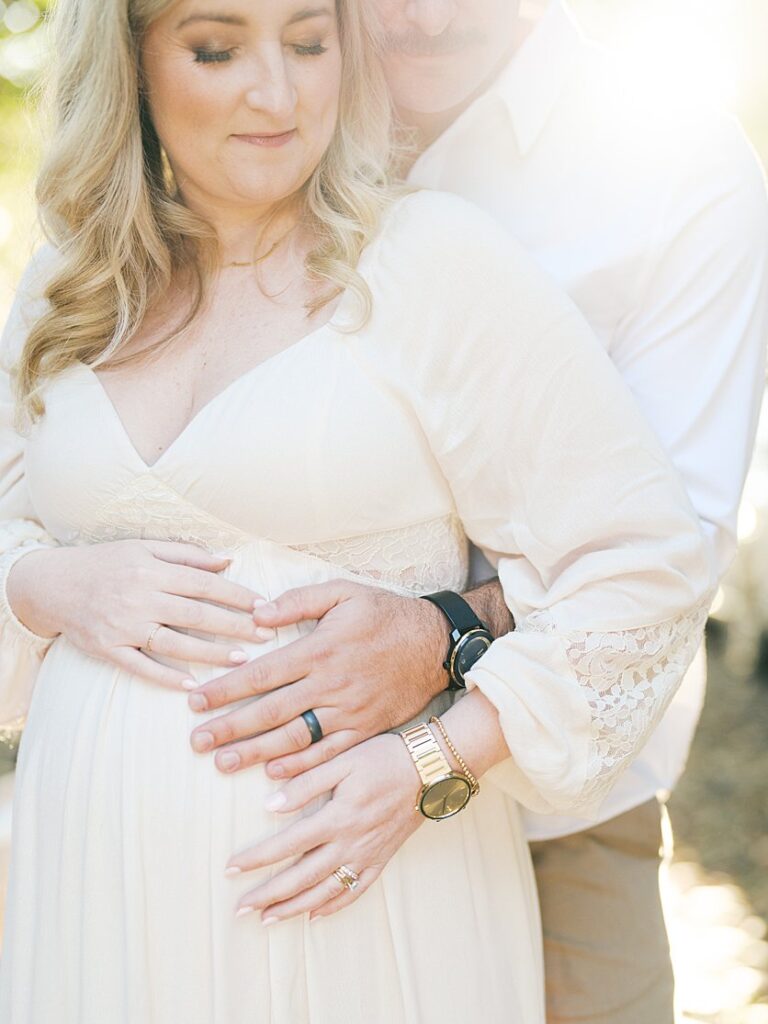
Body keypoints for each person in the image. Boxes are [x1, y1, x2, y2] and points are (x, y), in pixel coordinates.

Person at [0, 1, 713, 1022]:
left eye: (307, 42)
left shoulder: (428, 262)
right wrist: (40, 584)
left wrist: (433, 761)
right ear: (133, 61)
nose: (279, 94)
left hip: (364, 912)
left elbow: (643, 560)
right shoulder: (68, 289)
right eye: (218, 48)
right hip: (99, 912)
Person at [190, 2, 768, 1022]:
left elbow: (672, 546)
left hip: (558, 822)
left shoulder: (680, 169)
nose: (427, 16)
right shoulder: (247, 108)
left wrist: (441, 634)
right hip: (252, 805)